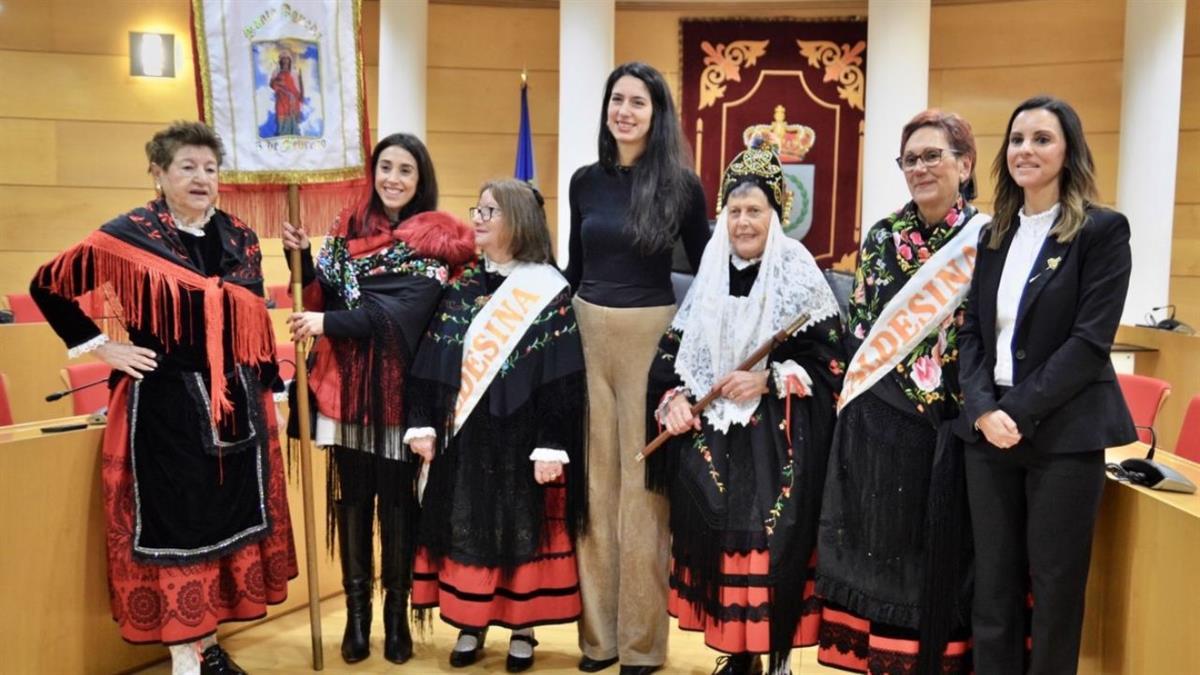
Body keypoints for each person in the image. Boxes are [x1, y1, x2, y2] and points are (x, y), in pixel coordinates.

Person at [29, 121, 297, 675]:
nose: (202, 178)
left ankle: (210, 645)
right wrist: (104, 347)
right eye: (188, 167)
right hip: (166, 410)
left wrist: (270, 387)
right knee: (179, 529)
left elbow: (252, 320)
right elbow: (47, 285)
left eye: (211, 168)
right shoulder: (129, 235)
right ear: (158, 173)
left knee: (225, 526)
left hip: (237, 408)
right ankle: (185, 658)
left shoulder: (240, 236)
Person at [646, 143, 844, 675]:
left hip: (776, 435)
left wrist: (768, 379)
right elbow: (671, 359)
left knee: (767, 541)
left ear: (775, 217)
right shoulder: (708, 274)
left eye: (754, 210)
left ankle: (775, 653)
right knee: (722, 537)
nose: (743, 221)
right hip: (714, 436)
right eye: (734, 211)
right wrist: (675, 403)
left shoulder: (798, 273)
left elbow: (830, 363)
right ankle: (739, 653)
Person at [957, 96, 1136, 675]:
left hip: (1063, 435)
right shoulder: (993, 234)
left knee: (1056, 591)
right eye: (1016, 140)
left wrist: (1018, 412)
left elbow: (1088, 344)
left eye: (1041, 139)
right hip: (989, 436)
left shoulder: (1101, 231)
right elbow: (973, 336)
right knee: (993, 586)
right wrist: (985, 410)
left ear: (1069, 151)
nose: (1025, 150)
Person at [281, 133, 475, 665]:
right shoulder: (345, 233)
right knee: (352, 503)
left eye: (405, 170)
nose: (393, 178)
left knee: (397, 508)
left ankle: (396, 617)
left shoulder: (435, 239)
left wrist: (326, 322)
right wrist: (297, 253)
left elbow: (402, 315)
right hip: (345, 388)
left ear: (420, 180)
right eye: (385, 166)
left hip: (401, 396)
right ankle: (358, 618)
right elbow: (320, 291)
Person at [816, 110, 989, 675]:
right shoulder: (883, 237)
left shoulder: (987, 239)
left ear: (964, 164)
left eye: (931, 155)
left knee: (941, 559)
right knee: (885, 558)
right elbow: (861, 329)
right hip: (883, 426)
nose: (919, 167)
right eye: (910, 159)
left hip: (955, 429)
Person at [405, 179, 587, 672]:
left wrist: (551, 443)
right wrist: (421, 422)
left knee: (519, 529)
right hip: (466, 438)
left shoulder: (546, 290)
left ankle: (522, 628)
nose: (478, 218)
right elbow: (431, 358)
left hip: (521, 436)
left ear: (519, 222)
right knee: (469, 526)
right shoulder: (462, 286)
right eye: (477, 209)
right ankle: (472, 622)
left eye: (491, 211)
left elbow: (563, 373)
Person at [567, 60, 711, 675]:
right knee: (594, 493)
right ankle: (598, 640)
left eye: (638, 102)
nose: (624, 111)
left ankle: (643, 646)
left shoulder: (682, 185)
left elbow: (707, 279)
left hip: (650, 340)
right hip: (584, 333)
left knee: (642, 496)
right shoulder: (582, 182)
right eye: (616, 100)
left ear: (657, 115)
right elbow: (573, 267)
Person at [270, 48, 303, 136]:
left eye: (287, 59)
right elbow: (273, 85)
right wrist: (285, 91)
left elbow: (298, 88)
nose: (285, 61)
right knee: (282, 123)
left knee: (294, 124)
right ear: (280, 61)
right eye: (283, 59)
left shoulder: (294, 73)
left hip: (293, 102)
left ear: (289, 61)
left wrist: (298, 98)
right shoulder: (276, 72)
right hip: (281, 101)